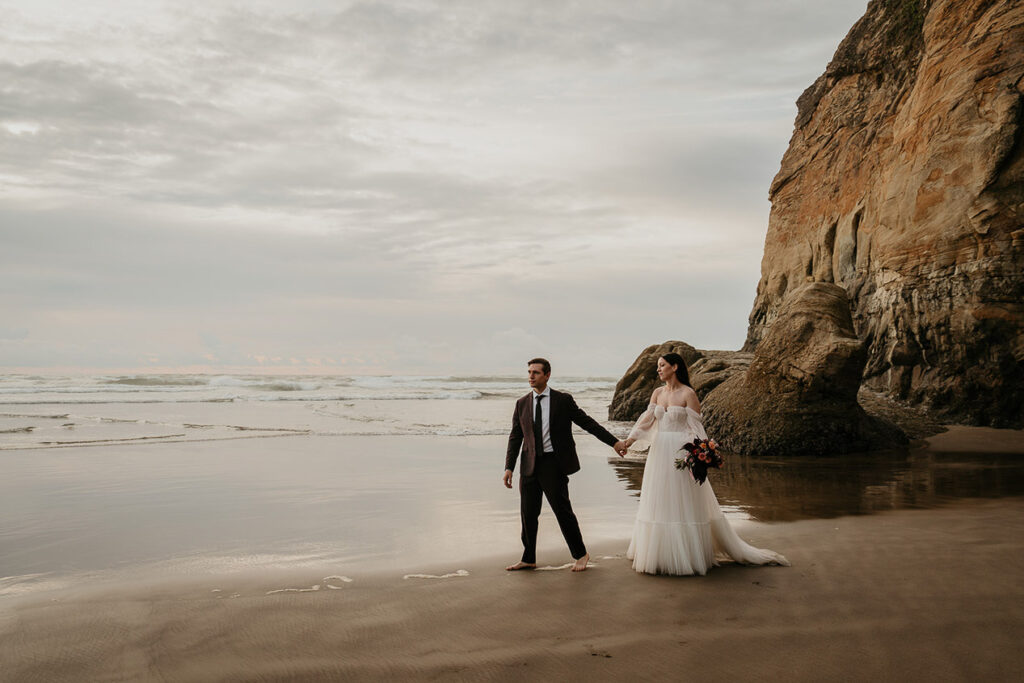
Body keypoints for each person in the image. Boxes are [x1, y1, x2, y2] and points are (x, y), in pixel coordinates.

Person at [622, 353, 789, 575]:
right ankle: (658, 553)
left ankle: (685, 555)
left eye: (662, 366)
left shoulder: (688, 393)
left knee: (682, 501)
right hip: (659, 452)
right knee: (659, 498)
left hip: (681, 454)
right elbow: (646, 421)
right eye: (658, 366)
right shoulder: (657, 393)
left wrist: (698, 453)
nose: (658, 370)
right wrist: (629, 441)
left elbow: (696, 430)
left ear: (675, 367)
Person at [503, 358, 628, 572]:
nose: (531, 376)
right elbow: (516, 437)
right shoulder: (522, 403)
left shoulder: (562, 401)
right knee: (528, 513)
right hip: (529, 465)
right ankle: (528, 557)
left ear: (547, 375)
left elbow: (588, 423)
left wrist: (614, 442)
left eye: (536, 373)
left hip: (554, 463)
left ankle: (580, 554)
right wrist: (509, 467)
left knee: (562, 511)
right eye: (529, 372)